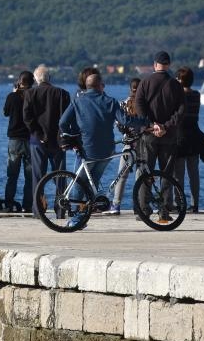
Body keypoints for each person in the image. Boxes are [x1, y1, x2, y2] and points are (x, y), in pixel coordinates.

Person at [59, 74, 142, 227]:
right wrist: (146, 122)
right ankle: (82, 216)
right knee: (92, 182)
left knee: (81, 183)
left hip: (87, 148)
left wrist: (72, 135)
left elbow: (63, 122)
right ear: (100, 86)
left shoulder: (77, 100)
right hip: (106, 150)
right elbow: (125, 121)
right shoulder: (110, 101)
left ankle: (78, 219)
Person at [134, 51, 185, 221]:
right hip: (168, 136)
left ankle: (143, 209)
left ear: (155, 64)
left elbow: (139, 105)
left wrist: (151, 124)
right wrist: (165, 126)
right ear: (169, 65)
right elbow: (181, 111)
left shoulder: (145, 82)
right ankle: (163, 210)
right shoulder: (176, 85)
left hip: (148, 135)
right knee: (166, 174)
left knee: (145, 172)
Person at [23, 64, 71, 214]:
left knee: (38, 176)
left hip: (38, 141)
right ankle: (61, 210)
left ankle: (38, 210)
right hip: (58, 141)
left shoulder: (30, 94)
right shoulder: (62, 93)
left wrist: (38, 134)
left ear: (36, 79)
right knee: (60, 177)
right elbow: (66, 118)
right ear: (49, 78)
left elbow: (27, 117)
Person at [102, 77, 141, 215]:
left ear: (130, 88)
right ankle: (139, 205)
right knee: (140, 176)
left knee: (121, 176)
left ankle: (116, 205)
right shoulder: (145, 104)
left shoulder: (123, 103)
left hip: (128, 144)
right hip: (142, 145)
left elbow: (119, 125)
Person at [2, 71, 34, 213]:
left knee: (12, 175)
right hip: (30, 139)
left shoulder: (12, 96)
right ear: (32, 82)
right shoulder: (34, 96)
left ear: (19, 81)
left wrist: (13, 93)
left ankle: (9, 204)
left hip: (14, 140)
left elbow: (6, 112)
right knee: (30, 177)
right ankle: (27, 206)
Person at [173, 67, 203, 213]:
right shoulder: (197, 95)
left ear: (179, 80)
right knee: (193, 173)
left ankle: (179, 203)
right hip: (194, 136)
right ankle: (195, 204)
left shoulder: (177, 96)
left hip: (179, 136)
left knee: (178, 174)